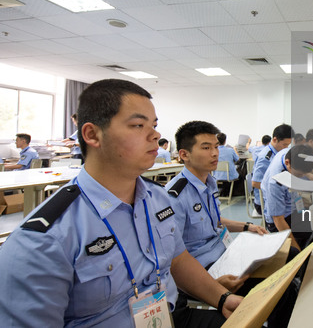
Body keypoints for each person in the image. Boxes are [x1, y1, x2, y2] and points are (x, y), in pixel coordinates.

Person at [0, 79, 241, 327]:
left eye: (154, 125)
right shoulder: (43, 240)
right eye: (138, 125)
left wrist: (221, 298)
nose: (156, 135)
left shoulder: (157, 199)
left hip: (168, 318)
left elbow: (178, 259)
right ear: (92, 135)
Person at [164, 121, 296, 327]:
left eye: (216, 146)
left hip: (226, 255)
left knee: (284, 282)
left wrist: (247, 227)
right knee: (278, 293)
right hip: (205, 270)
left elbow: (213, 220)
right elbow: (172, 258)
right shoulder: (174, 196)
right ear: (184, 154)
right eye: (206, 148)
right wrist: (213, 286)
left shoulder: (209, 182)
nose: (215, 153)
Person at [262, 144, 313, 251]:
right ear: (287, 163)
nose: (301, 178)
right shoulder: (275, 182)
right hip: (280, 220)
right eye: (299, 174)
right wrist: (298, 254)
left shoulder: (289, 153)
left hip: (292, 207)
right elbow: (278, 220)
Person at [252, 124, 293, 215]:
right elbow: (255, 183)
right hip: (264, 202)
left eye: (288, 145)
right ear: (275, 140)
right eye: (285, 144)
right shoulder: (266, 158)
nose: (286, 148)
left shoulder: (279, 153)